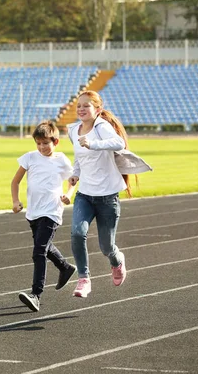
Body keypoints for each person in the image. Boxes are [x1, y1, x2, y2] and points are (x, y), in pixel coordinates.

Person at [67, 90, 150, 298]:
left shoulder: (101, 127)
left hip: (107, 198)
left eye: (86, 105)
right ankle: (84, 279)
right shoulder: (73, 131)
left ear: (98, 109)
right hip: (85, 195)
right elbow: (80, 157)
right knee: (77, 233)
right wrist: (75, 174)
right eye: (79, 105)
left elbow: (118, 144)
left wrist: (93, 143)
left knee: (106, 247)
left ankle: (117, 261)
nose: (81, 109)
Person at [11, 121, 77, 312]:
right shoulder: (29, 158)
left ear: (55, 142)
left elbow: (73, 179)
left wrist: (68, 195)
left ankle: (36, 295)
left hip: (52, 211)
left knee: (39, 251)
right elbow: (15, 181)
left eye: (45, 143)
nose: (41, 147)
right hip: (33, 212)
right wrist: (16, 201)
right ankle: (65, 267)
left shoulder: (61, 160)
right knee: (46, 248)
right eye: (38, 143)